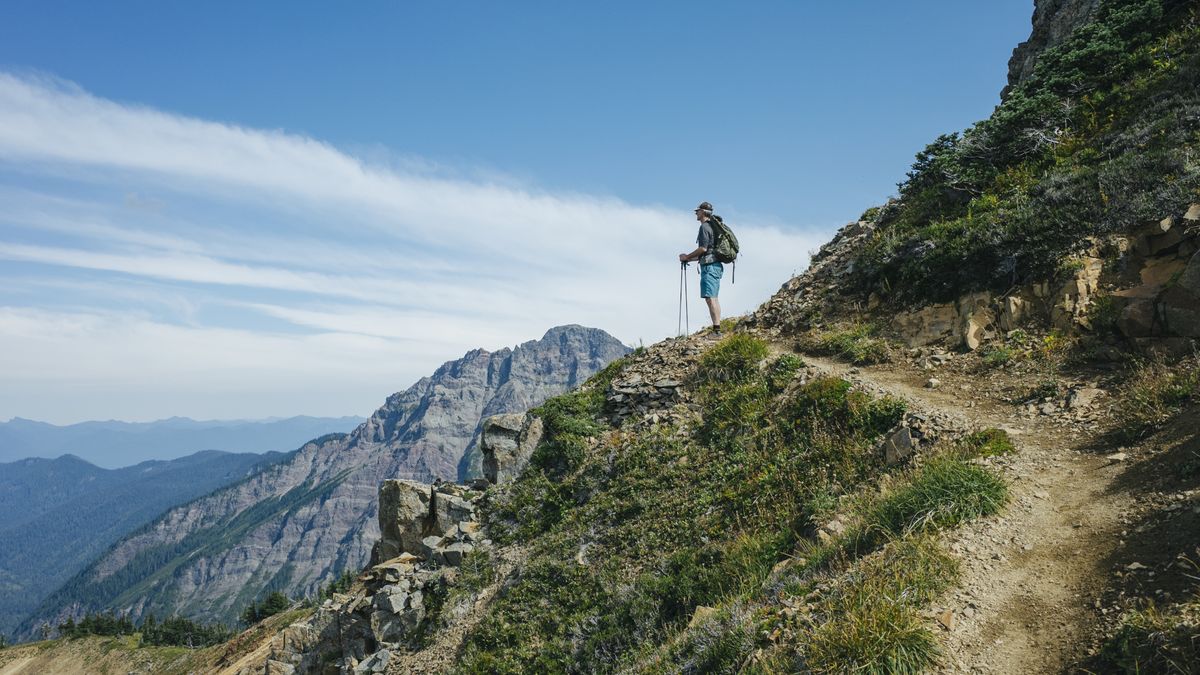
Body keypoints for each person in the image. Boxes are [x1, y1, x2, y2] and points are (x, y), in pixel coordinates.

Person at [678, 201, 723, 336]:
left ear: (703, 212)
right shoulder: (713, 227)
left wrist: (687, 257)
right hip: (714, 265)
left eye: (697, 211)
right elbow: (707, 252)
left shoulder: (704, 227)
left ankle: (717, 331)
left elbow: (703, 249)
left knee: (711, 298)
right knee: (713, 297)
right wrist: (690, 259)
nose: (696, 213)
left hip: (710, 267)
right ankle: (717, 328)